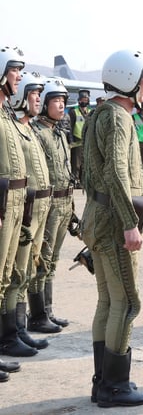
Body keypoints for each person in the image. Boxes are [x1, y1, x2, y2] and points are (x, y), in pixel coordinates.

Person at [81, 49, 143, 407]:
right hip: (113, 222)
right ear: (129, 81)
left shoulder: (99, 113)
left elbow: (89, 173)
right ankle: (115, 386)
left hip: (98, 215)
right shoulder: (119, 118)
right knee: (126, 303)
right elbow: (116, 172)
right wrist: (129, 223)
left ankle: (103, 383)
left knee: (108, 301)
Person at [1, 72, 52, 357]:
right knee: (10, 274)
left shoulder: (25, 129)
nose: (38, 99)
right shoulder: (10, 125)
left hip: (28, 204)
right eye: (34, 94)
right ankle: (10, 335)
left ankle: (16, 330)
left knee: (22, 272)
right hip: (15, 206)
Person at [28, 79, 73, 334]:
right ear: (45, 104)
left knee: (53, 260)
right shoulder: (38, 133)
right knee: (42, 259)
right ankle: (37, 315)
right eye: (56, 100)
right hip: (49, 202)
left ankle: (48, 310)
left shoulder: (60, 133)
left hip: (65, 202)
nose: (61, 105)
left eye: (63, 101)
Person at [0, 47, 29, 380]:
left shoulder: (5, 113)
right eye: (13, 70)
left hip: (14, 201)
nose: (19, 76)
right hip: (3, 202)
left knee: (5, 277)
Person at [67, 89, 92, 188]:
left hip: (87, 141)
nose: (84, 101)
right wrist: (71, 140)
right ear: (79, 100)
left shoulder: (90, 112)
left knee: (85, 163)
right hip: (77, 141)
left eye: (86, 99)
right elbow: (70, 127)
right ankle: (75, 180)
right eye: (82, 99)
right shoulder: (74, 112)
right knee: (76, 163)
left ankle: (83, 181)